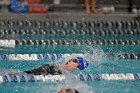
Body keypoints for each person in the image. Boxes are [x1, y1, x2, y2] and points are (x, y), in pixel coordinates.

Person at [23, 57, 88, 75]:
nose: (76, 69)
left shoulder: (62, 69)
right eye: (77, 66)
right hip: (49, 69)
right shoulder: (54, 68)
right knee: (28, 73)